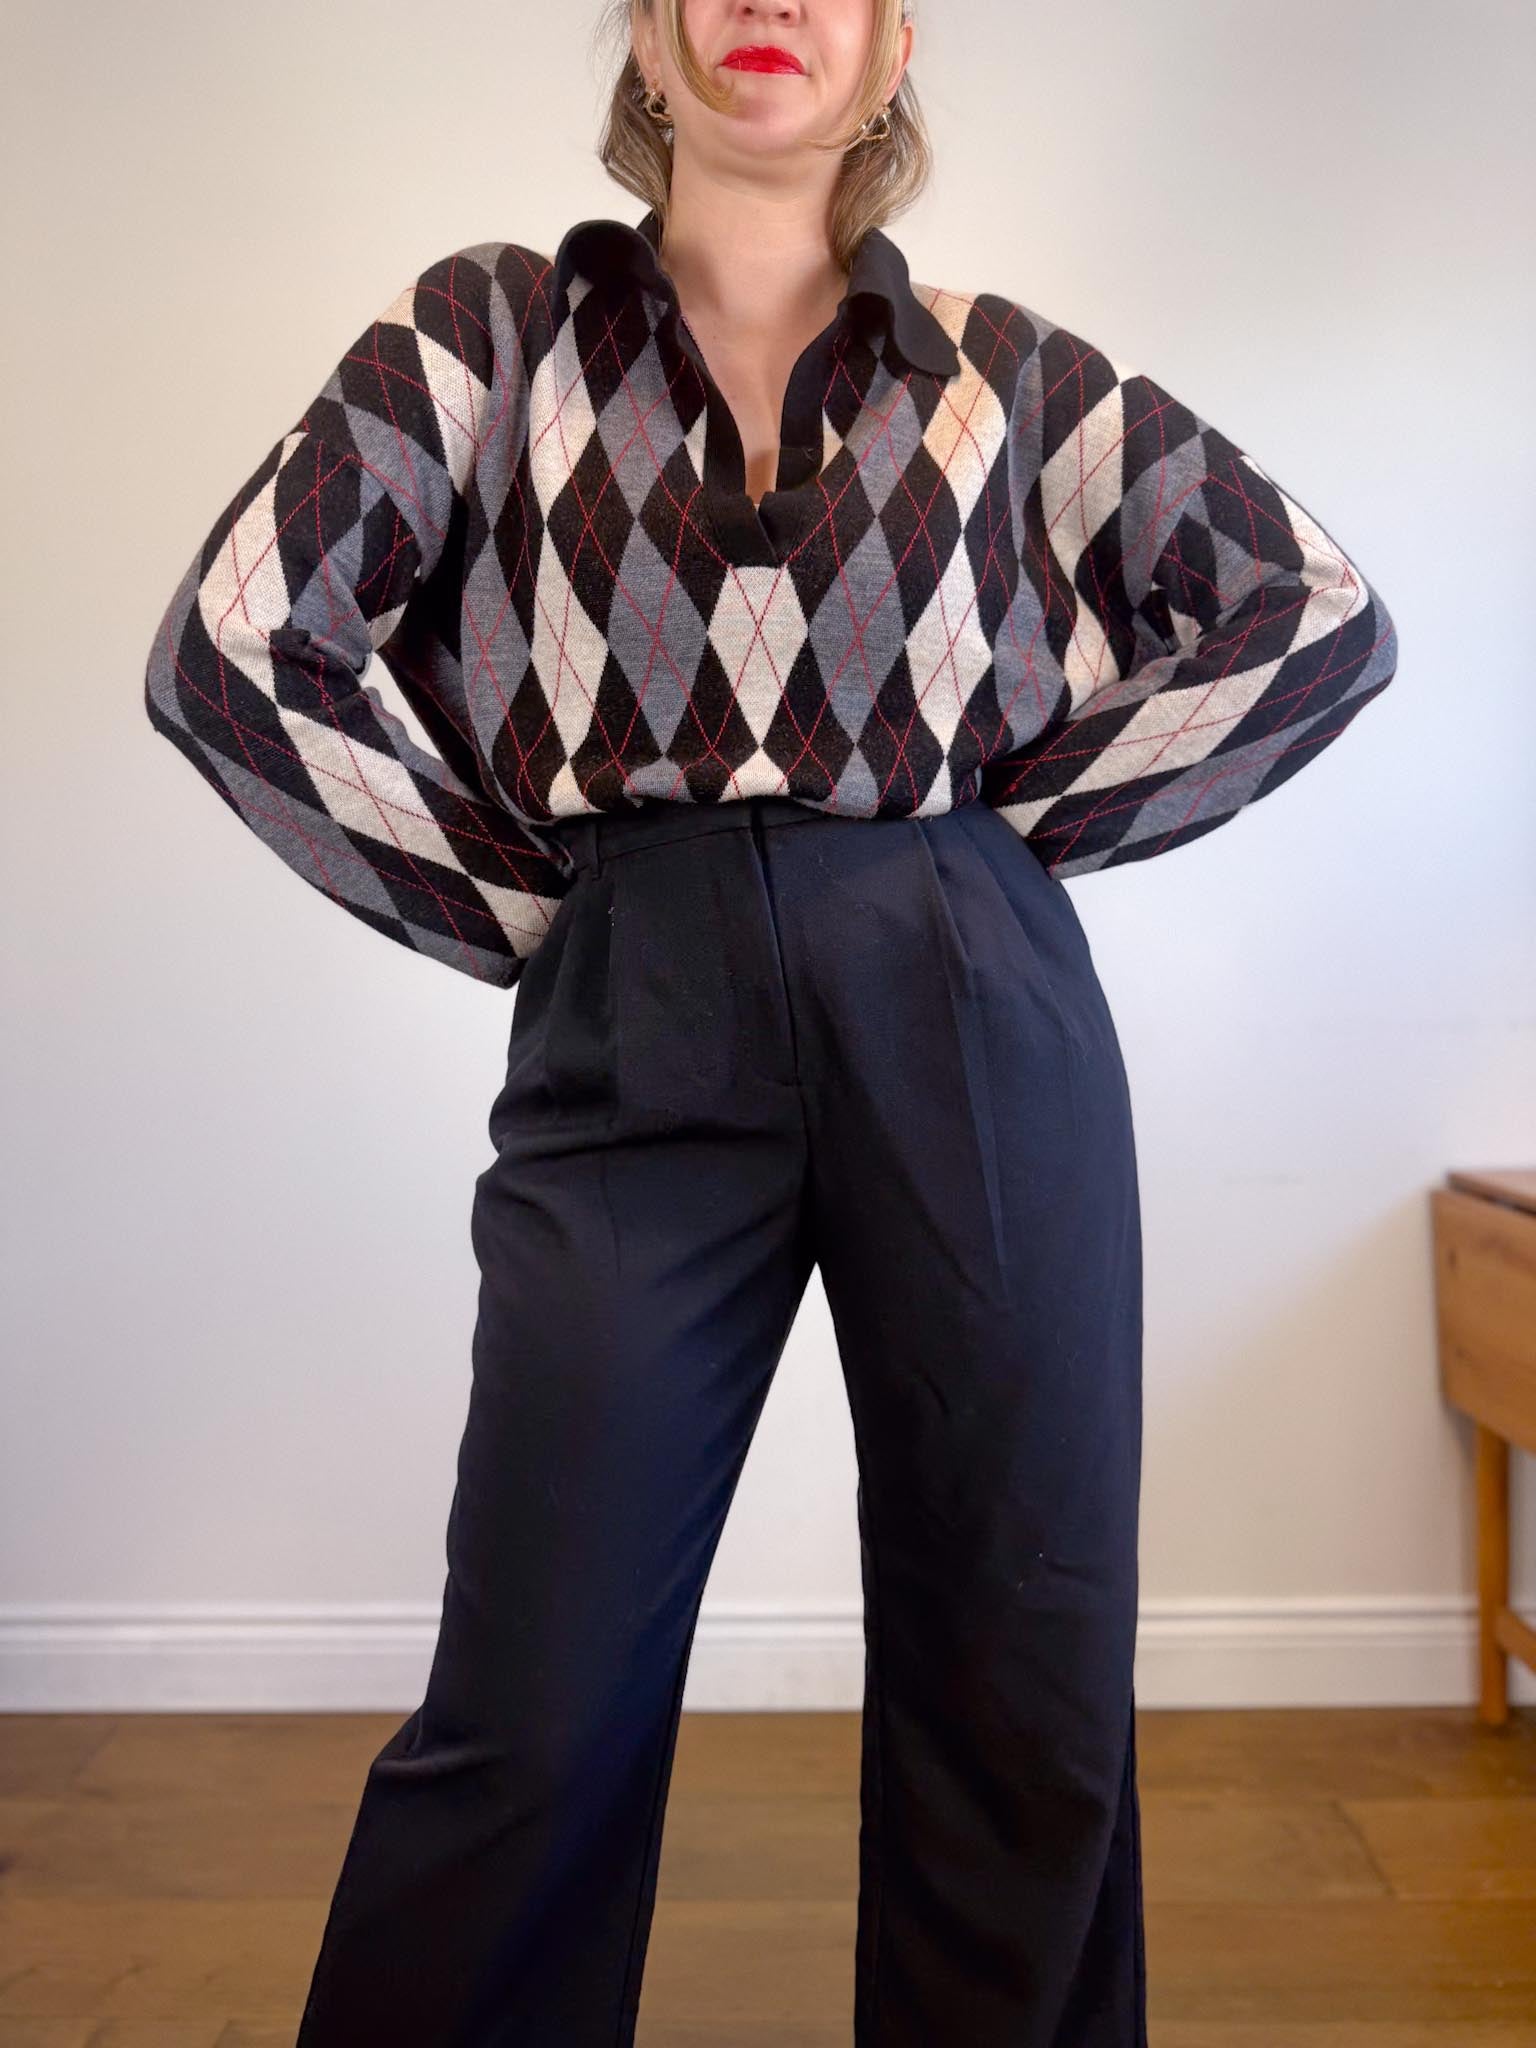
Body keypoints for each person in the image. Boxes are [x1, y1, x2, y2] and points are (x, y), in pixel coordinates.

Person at [142, 1, 1399, 2041]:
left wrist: (991, 854)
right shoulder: (486, 338)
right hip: (635, 1002)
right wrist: (542, 914)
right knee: (537, 1692)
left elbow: (1316, 616)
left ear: (891, 53)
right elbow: (230, 651)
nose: (767, 2)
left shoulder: (1008, 374)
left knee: (1021, 1676)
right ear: (644, 37)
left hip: (968, 1006)